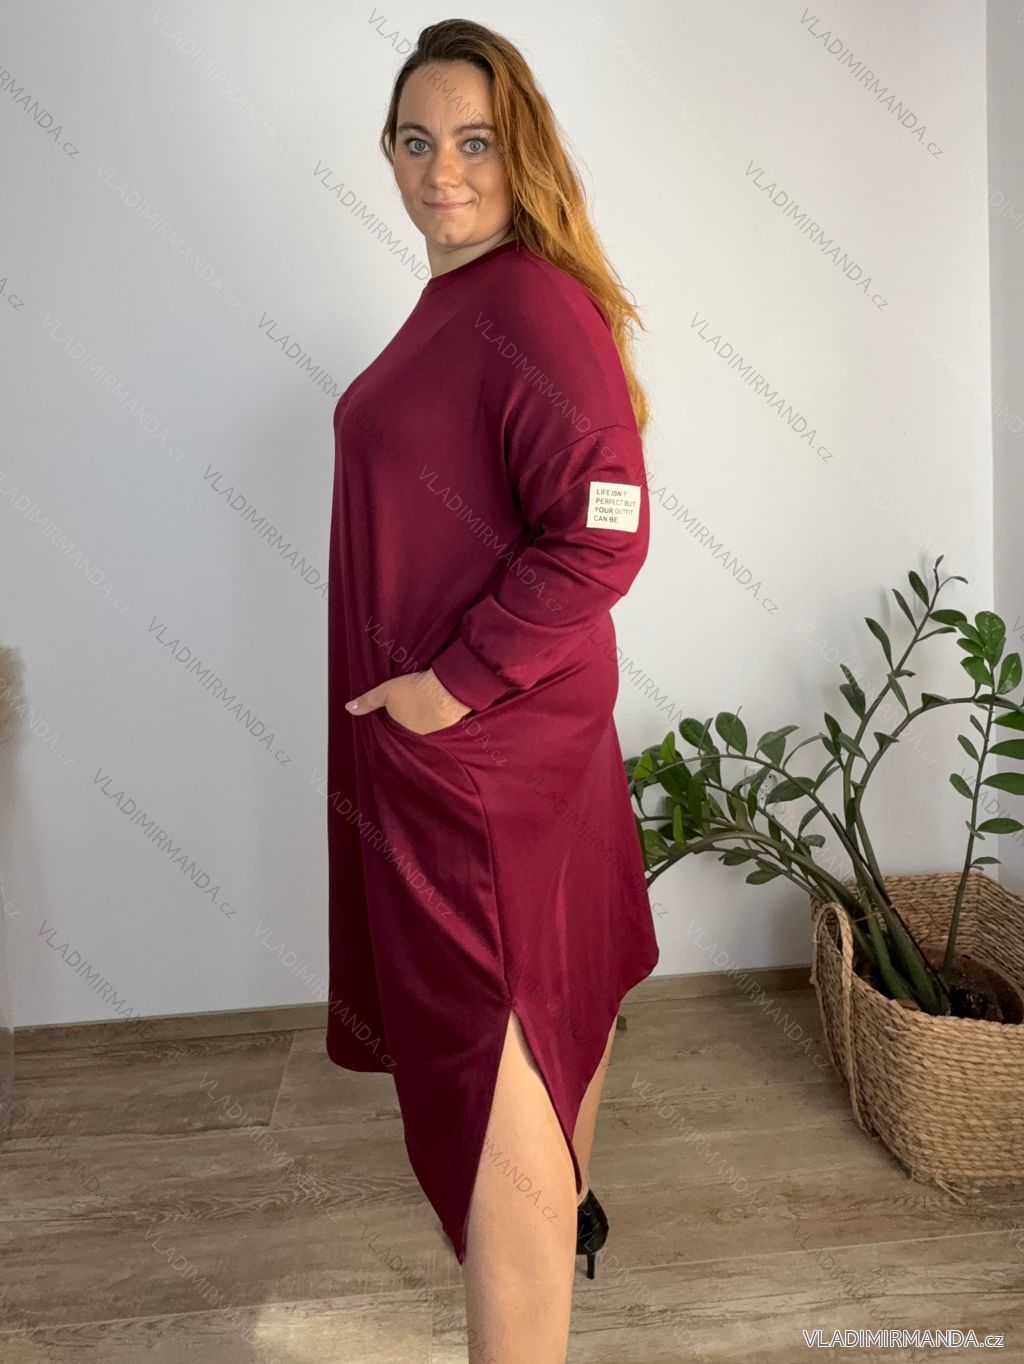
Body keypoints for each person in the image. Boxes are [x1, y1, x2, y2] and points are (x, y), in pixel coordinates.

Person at [325, 18, 659, 1362]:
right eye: (416, 142)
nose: (442, 171)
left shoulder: (525, 302)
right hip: (502, 758)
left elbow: (605, 529)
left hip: (484, 770)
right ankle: (556, 1232)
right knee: (543, 1008)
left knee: (498, 1051)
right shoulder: (469, 298)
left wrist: (447, 691)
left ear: (519, 152)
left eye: (473, 142)